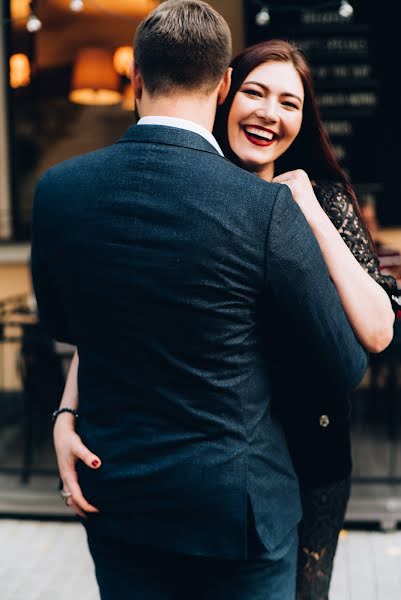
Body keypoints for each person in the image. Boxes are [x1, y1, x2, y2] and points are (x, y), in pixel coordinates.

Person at [32, 4, 368, 598]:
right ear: (223, 87)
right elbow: (345, 363)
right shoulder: (264, 209)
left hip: (119, 498)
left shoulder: (58, 192)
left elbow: (68, 324)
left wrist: (66, 412)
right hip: (237, 516)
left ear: (134, 78)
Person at [213, 40, 398, 599]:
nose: (270, 113)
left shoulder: (322, 198)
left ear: (303, 117)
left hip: (312, 452)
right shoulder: (199, 192)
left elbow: (377, 330)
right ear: (224, 95)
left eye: (289, 102)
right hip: (223, 452)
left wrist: (312, 211)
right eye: (254, 92)